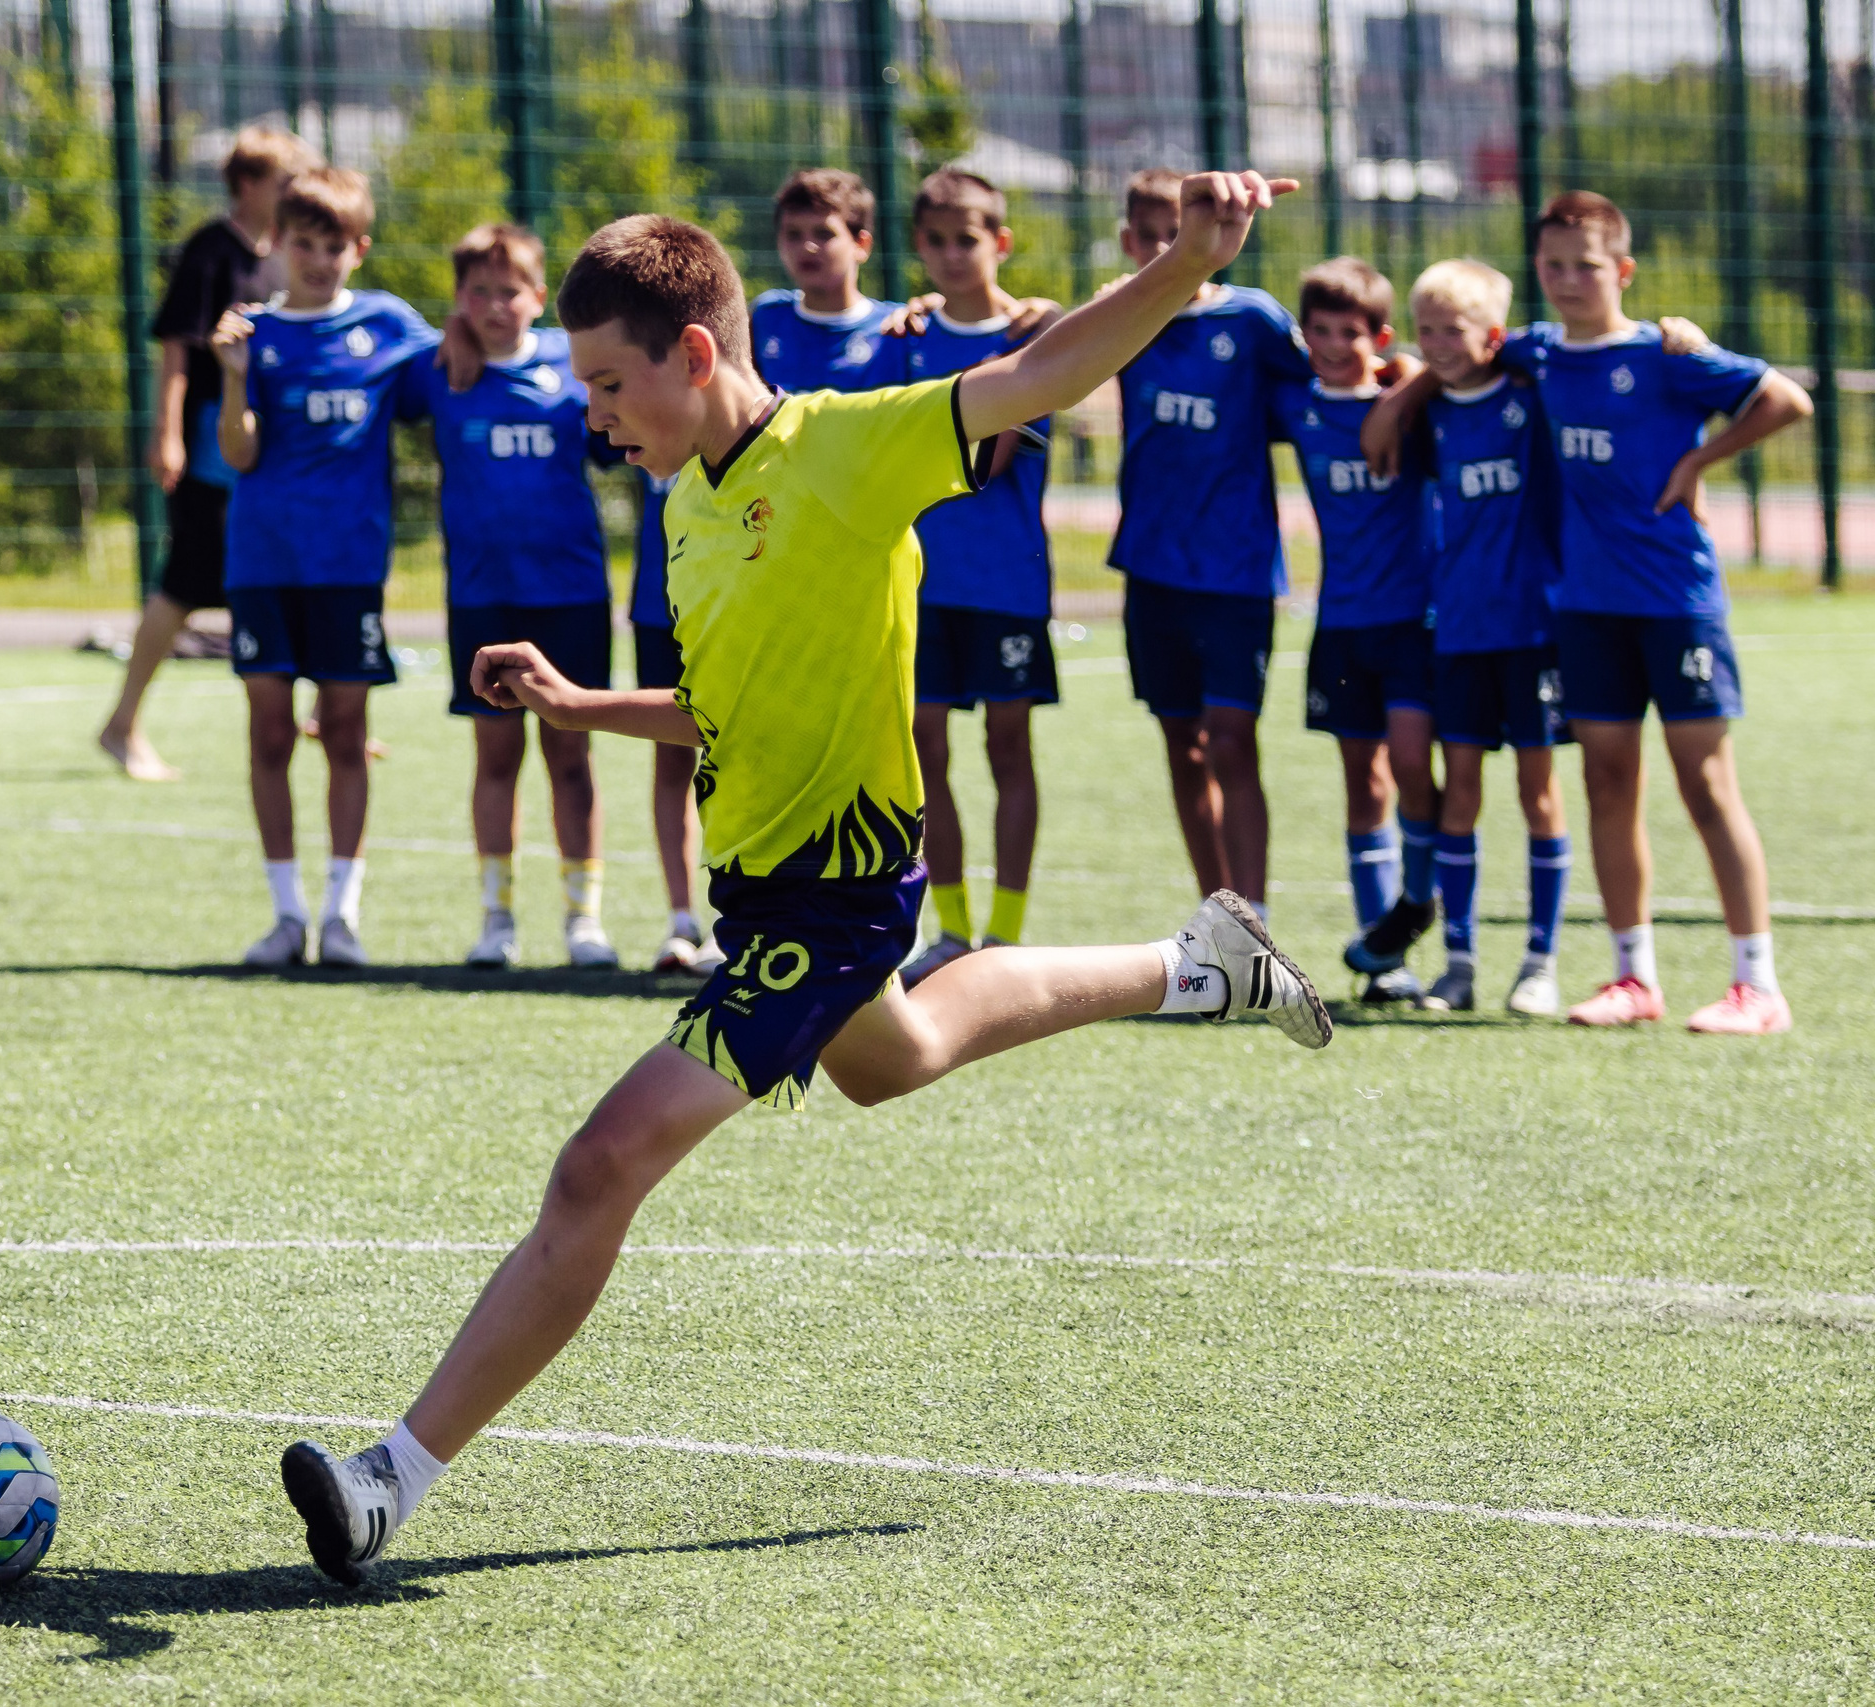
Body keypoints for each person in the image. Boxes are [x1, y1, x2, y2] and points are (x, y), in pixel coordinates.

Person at [277, 179, 1331, 1586]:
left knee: (600, 1166)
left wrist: (1190, 265)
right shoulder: (684, 502)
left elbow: (1039, 372)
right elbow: (726, 709)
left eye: (609, 383)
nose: (593, 414)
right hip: (767, 899)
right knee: (904, 1050)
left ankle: (388, 1480)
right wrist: (585, 703)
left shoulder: (850, 447)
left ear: (695, 354)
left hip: (832, 899)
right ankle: (1199, 960)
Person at [1366, 191, 1813, 1033]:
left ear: (1625, 271)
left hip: (1676, 602)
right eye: (1553, 266)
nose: (1569, 280)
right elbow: (1466, 353)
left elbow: (1788, 400)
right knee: (1608, 781)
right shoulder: (1534, 351)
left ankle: (1758, 981)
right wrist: (1401, 395)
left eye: (1588, 266)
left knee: (1706, 785)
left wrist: (1699, 461)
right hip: (1583, 608)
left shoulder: (1669, 353)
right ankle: (1632, 975)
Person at [208, 166, 433, 969]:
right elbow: (238, 452)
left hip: (349, 570)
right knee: (270, 732)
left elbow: (459, 371)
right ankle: (284, 915)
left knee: (345, 731)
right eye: (303, 242)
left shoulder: (391, 326)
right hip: (263, 563)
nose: (318, 258)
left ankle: (342, 915)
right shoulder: (251, 335)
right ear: (278, 245)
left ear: (359, 249)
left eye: (334, 244)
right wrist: (234, 379)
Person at [399, 224, 620, 970]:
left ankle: (583, 918)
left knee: (571, 752)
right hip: (483, 598)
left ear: (538, 296)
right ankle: (496, 918)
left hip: (572, 594)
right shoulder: (438, 369)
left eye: (512, 290)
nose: (497, 305)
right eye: (480, 292)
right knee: (495, 754)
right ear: (461, 299)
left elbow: (616, 439)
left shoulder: (573, 365)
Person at [1108, 169, 1313, 921]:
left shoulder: (1256, 321)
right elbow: (1040, 345)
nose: (1169, 245)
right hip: (1152, 567)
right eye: (1153, 233)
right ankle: (1215, 915)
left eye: (1181, 228)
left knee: (1232, 740)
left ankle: (1253, 918)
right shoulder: (1122, 317)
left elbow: (1324, 392)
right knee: (1183, 745)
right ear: (1131, 243)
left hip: (1236, 569)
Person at [97, 125, 316, 782]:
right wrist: (167, 435)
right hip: (209, 443)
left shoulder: (282, 253)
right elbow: (176, 350)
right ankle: (121, 723)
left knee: (278, 568)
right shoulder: (211, 251)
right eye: (283, 181)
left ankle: (298, 708)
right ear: (248, 185)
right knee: (187, 582)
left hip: (264, 440)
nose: (293, 192)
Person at [893, 170, 1059, 987]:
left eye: (969, 238)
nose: (953, 255)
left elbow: (994, 458)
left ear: (1001, 242)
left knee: (1007, 744)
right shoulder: (905, 337)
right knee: (926, 749)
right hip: (922, 584)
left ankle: (1008, 931)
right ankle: (952, 929)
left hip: (1007, 584)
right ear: (918, 246)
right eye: (937, 240)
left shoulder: (1039, 337)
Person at [1402, 259, 1571, 1015]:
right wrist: (1410, 383)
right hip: (1459, 630)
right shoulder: (1427, 413)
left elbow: (1551, 346)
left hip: (1531, 628)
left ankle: (1541, 960)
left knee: (1539, 793)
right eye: (1426, 329)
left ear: (1493, 336)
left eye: (1454, 329)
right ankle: (1459, 959)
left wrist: (1513, 346)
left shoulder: (1531, 399)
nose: (1437, 343)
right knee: (1459, 794)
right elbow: (1379, 427)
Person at [1266, 258, 1437, 1005]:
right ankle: (1384, 958)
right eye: (1323, 332)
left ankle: (1421, 901)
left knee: (1410, 768)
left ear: (1381, 337)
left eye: (1353, 333)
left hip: (1412, 621)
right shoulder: (1295, 406)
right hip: (1339, 623)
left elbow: (1458, 367)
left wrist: (1410, 383)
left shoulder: (1407, 401)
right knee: (1361, 785)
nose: (1337, 346)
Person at [627, 465, 722, 974]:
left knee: (735, 756)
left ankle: (737, 922)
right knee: (670, 760)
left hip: (727, 601)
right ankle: (681, 920)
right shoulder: (640, 398)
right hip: (656, 607)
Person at [749, 169, 908, 396]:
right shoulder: (765, 316)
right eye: (793, 234)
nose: (807, 247)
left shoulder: (897, 328)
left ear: (861, 245)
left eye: (824, 234)